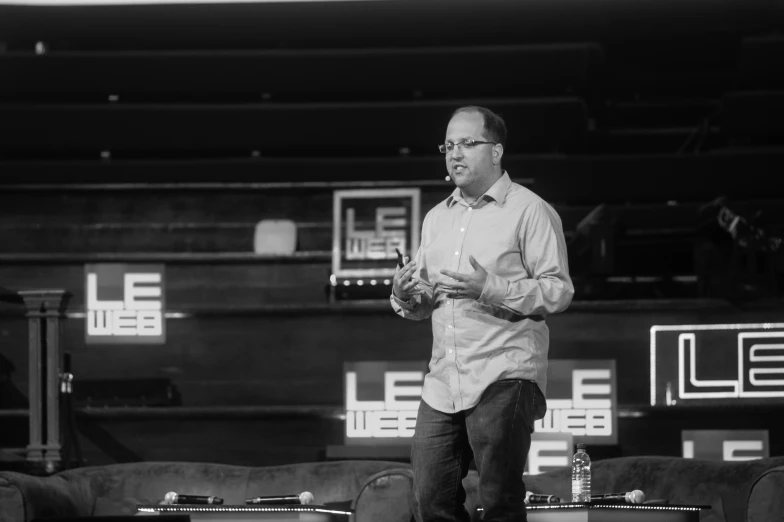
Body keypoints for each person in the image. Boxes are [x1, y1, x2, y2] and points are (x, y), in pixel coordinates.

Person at [390, 106, 574, 522]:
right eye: (448, 145)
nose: (455, 153)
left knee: (499, 500)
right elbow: (425, 303)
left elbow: (558, 291)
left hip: (503, 372)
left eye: (467, 143)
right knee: (431, 501)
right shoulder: (437, 218)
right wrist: (404, 295)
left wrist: (489, 287)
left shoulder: (530, 210)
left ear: (496, 152)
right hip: (443, 380)